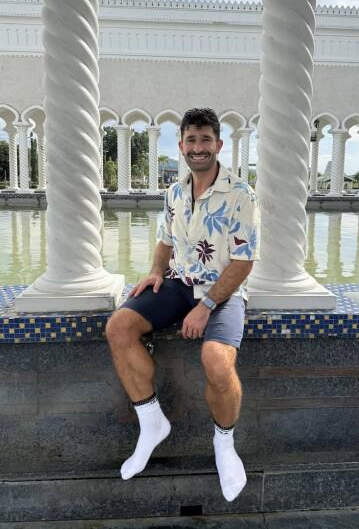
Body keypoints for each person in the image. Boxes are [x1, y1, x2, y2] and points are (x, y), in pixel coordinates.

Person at [106, 108, 260, 502]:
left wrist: (207, 304)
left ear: (218, 145)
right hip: (177, 284)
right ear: (181, 146)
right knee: (119, 327)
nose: (198, 147)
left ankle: (224, 443)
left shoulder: (241, 194)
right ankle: (151, 420)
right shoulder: (174, 193)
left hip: (222, 292)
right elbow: (165, 241)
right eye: (191, 140)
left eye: (205, 139)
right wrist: (157, 270)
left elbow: (243, 261)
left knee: (216, 360)